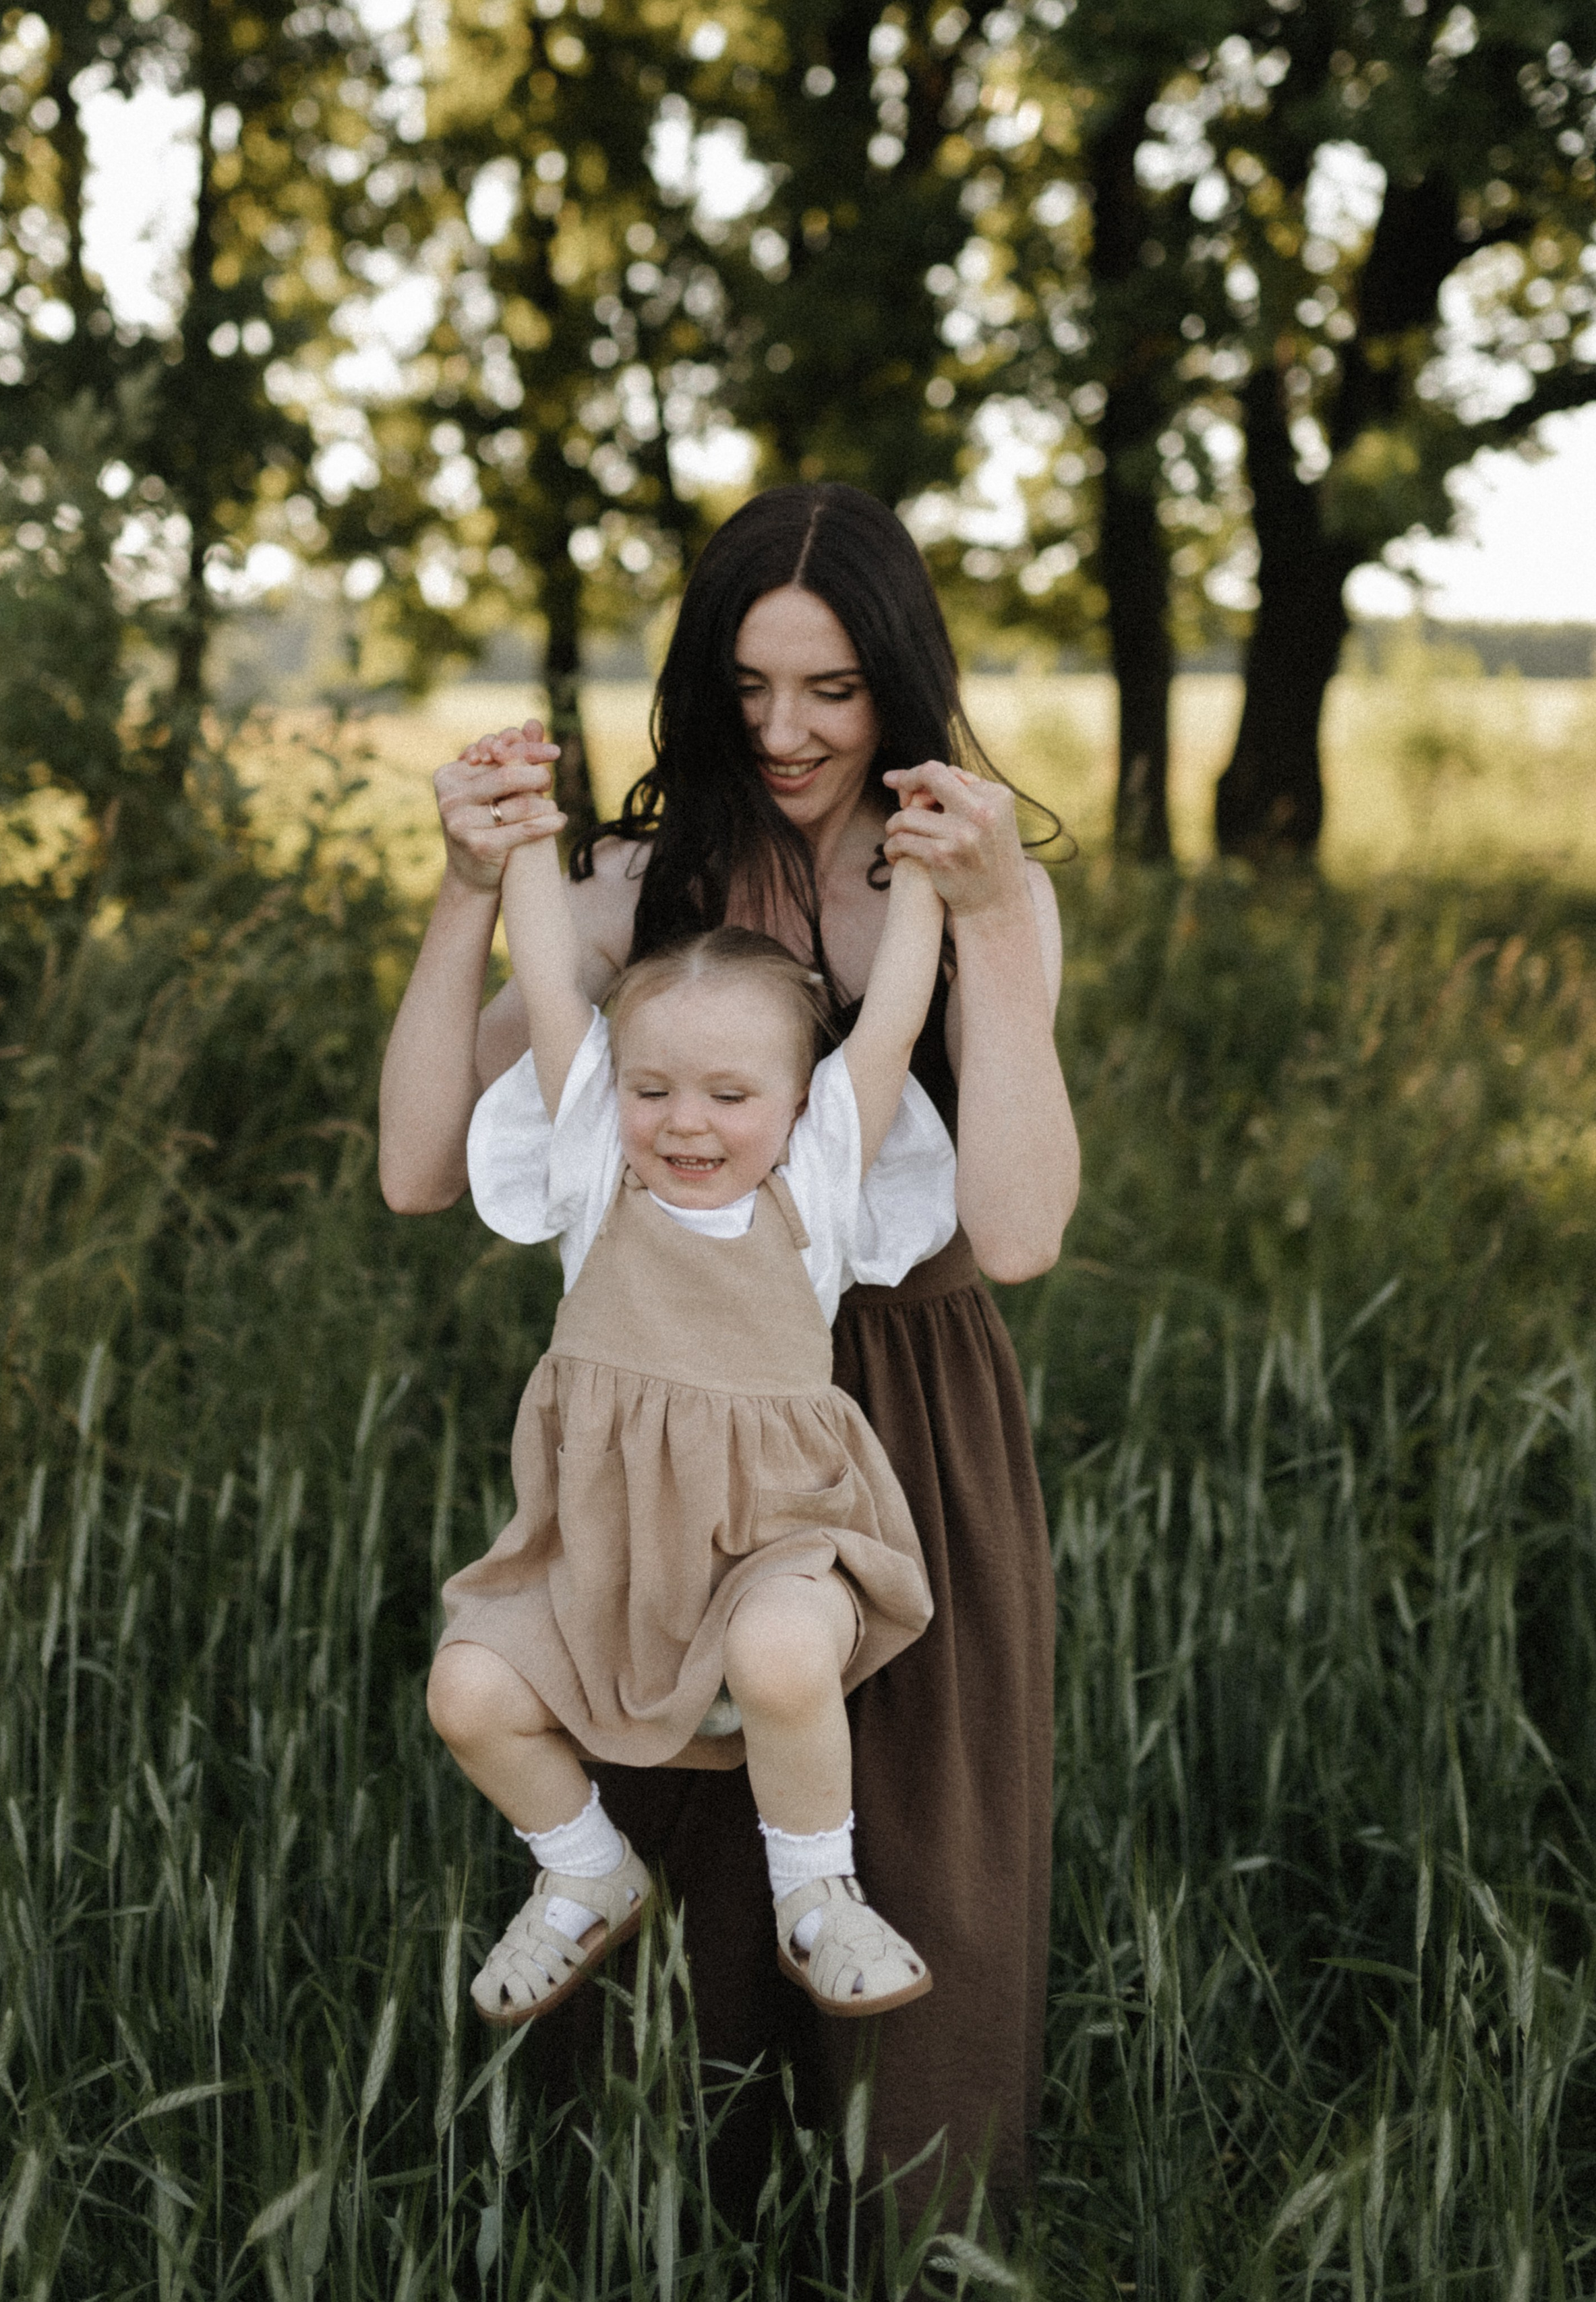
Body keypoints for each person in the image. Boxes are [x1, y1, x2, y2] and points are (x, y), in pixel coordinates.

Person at [381, 482, 1078, 2209]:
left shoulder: (967, 883)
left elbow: (1016, 1232)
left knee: (907, 1842)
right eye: (749, 686)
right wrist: (469, 892)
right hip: (665, 1417)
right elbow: (414, 1166)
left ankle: (905, 2231)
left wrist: (985, 920)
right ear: (701, 682)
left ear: (897, 684)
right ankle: (656, 2225)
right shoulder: (644, 885)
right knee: (674, 1830)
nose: (784, 731)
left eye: (831, 690)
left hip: (898, 1410)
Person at [430, 818, 957, 2025]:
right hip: (607, 1561)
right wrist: (523, 841)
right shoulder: (594, 1177)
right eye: (653, 1088)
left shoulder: (812, 1186)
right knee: (466, 1693)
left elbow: (890, 1032)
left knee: (778, 1652)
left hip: (780, 1538)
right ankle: (583, 1868)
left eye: (731, 1093)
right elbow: (557, 987)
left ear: (793, 1101)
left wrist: (925, 873)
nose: (687, 1123)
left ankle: (817, 1894)